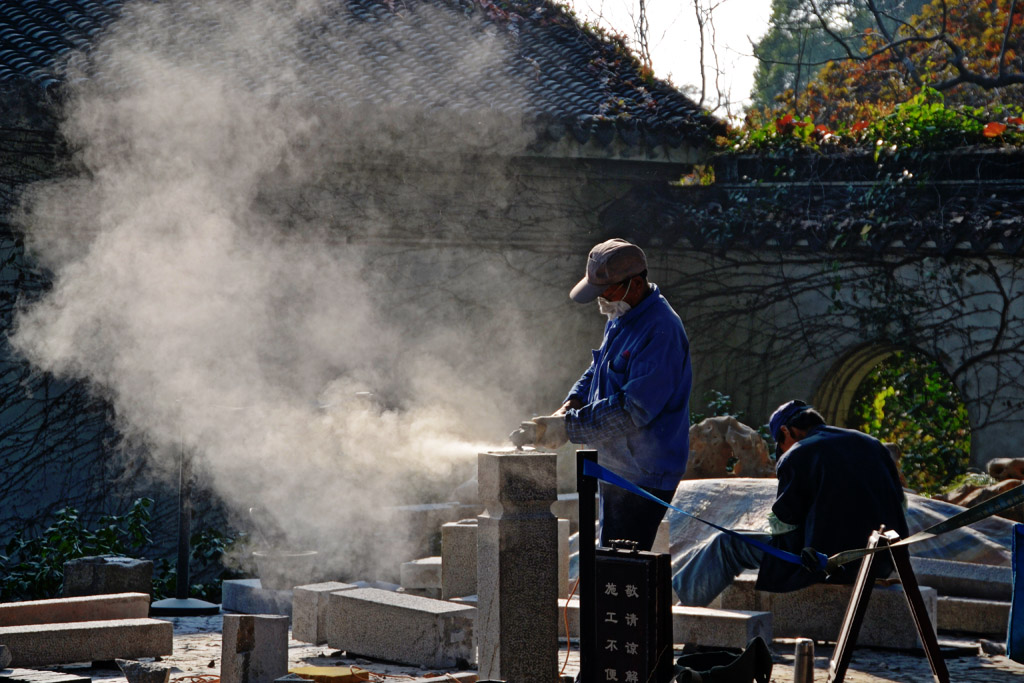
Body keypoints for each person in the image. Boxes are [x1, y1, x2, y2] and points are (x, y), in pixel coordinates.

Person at [510, 238, 692, 551]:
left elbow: (632, 410)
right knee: (611, 561)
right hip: (617, 462)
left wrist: (568, 427)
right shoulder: (624, 316)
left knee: (621, 569)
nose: (600, 300)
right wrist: (570, 405)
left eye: (605, 290)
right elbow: (599, 368)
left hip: (644, 473)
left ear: (634, 284)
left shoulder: (661, 331)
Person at [672, 399, 909, 606]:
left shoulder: (797, 454)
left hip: (827, 567)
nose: (782, 450)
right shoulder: (872, 445)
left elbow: (784, 528)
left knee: (727, 544)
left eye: (780, 443)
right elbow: (900, 503)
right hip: (882, 563)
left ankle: (676, 608)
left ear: (787, 432)